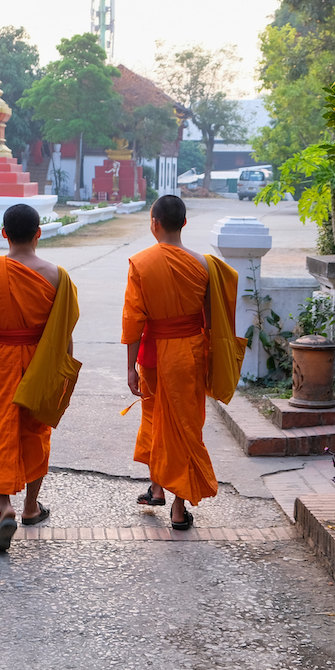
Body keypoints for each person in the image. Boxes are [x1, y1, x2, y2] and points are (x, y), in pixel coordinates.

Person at [0, 204, 80, 551]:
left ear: (4, 234)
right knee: (36, 432)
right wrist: (65, 369)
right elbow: (64, 330)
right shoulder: (58, 275)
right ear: (39, 233)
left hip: (2, 360)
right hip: (42, 361)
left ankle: (5, 508)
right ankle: (31, 506)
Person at [122, 194, 244, 529]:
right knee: (185, 426)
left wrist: (130, 367)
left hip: (152, 354)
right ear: (184, 223)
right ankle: (175, 506)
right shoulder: (205, 265)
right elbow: (211, 319)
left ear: (154, 223)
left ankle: (159, 487)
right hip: (190, 353)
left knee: (154, 419)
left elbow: (134, 321)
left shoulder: (141, 263)